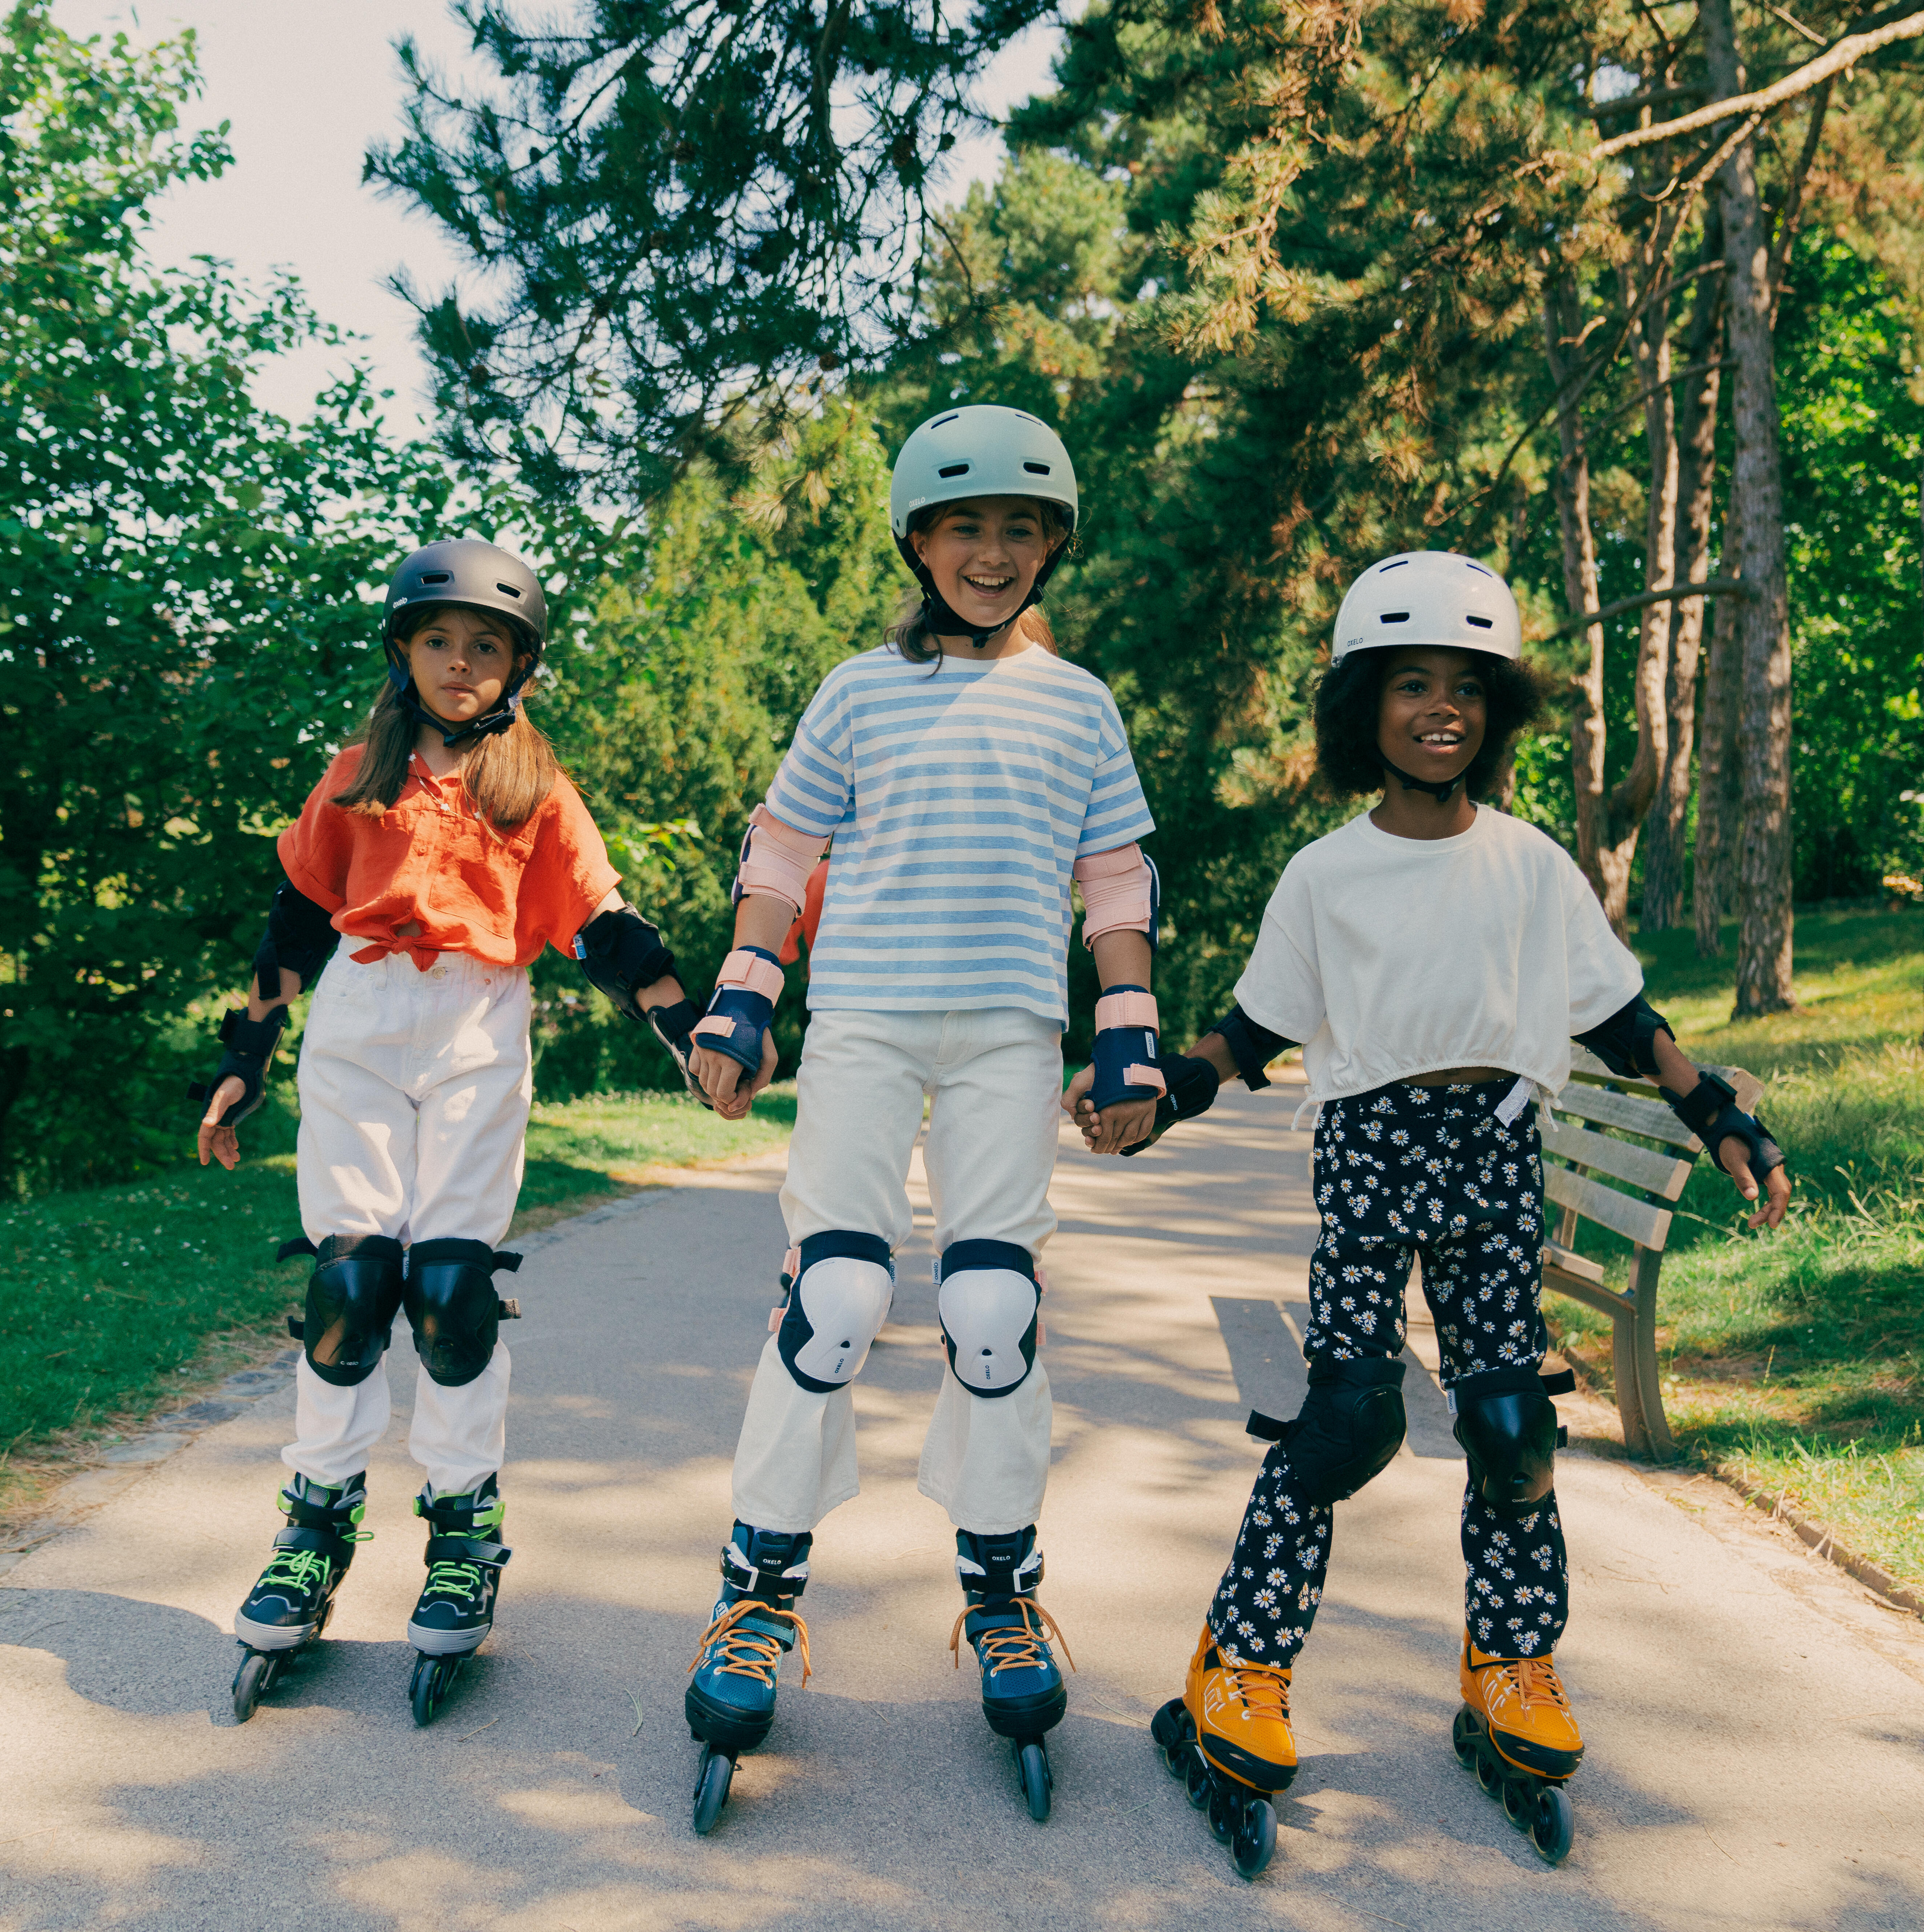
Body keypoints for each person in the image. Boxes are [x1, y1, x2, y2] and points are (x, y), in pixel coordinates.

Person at [1077, 550, 1791, 1873]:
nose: (1440, 709)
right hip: (1368, 1150)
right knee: (1346, 1424)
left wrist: (1720, 1117)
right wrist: (1163, 1096)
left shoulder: (1531, 866)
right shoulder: (1324, 876)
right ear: (1366, 709)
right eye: (1411, 685)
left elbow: (1625, 1021)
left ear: (1497, 711)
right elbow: (1252, 1033)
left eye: (1466, 687)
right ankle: (1237, 1669)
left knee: (1511, 1426)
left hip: (1495, 1154)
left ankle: (1513, 1667)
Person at [673, 405, 1177, 1830]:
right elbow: (783, 852)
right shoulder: (854, 691)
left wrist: (1127, 1024)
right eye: (966, 527)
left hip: (1011, 1031)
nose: (994, 551)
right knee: (830, 1296)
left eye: (1022, 528)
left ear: (1052, 546)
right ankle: (755, 1592)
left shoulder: (1078, 704)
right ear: (916, 539)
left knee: (992, 1314)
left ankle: (1001, 1591)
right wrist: (744, 991)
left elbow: (1115, 878)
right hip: (869, 1027)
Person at [190, 538, 741, 1725]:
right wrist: (244, 1065)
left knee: (450, 1290)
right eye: (439, 641)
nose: (459, 662)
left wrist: (691, 1033)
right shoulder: (353, 777)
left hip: (480, 1024)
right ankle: (315, 1526)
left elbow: (607, 931)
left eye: (484, 646)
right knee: (351, 1281)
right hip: (361, 1013)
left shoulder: (534, 794)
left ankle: (462, 1529)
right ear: (404, 653)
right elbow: (290, 929)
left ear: (517, 668)